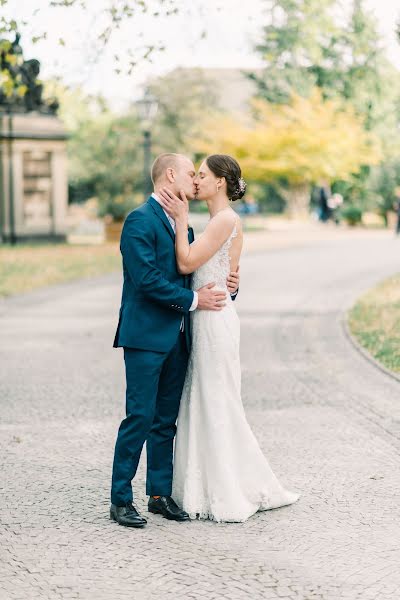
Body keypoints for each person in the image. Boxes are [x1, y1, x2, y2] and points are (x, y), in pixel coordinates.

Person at [158, 154, 299, 523]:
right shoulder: (219, 221)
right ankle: (203, 484)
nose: (196, 180)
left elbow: (187, 264)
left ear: (220, 182)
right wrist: (230, 287)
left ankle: (228, 488)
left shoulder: (225, 220)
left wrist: (180, 219)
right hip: (209, 317)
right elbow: (227, 277)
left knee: (217, 399)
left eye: (202, 175)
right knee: (205, 397)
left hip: (214, 322)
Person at [110, 153, 240, 528]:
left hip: (180, 337)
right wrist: (195, 301)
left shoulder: (185, 225)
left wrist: (231, 285)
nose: (194, 180)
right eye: (189, 173)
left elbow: (198, 273)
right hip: (146, 337)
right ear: (170, 175)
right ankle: (120, 499)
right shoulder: (139, 220)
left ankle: (159, 494)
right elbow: (146, 279)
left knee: (166, 419)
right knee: (140, 416)